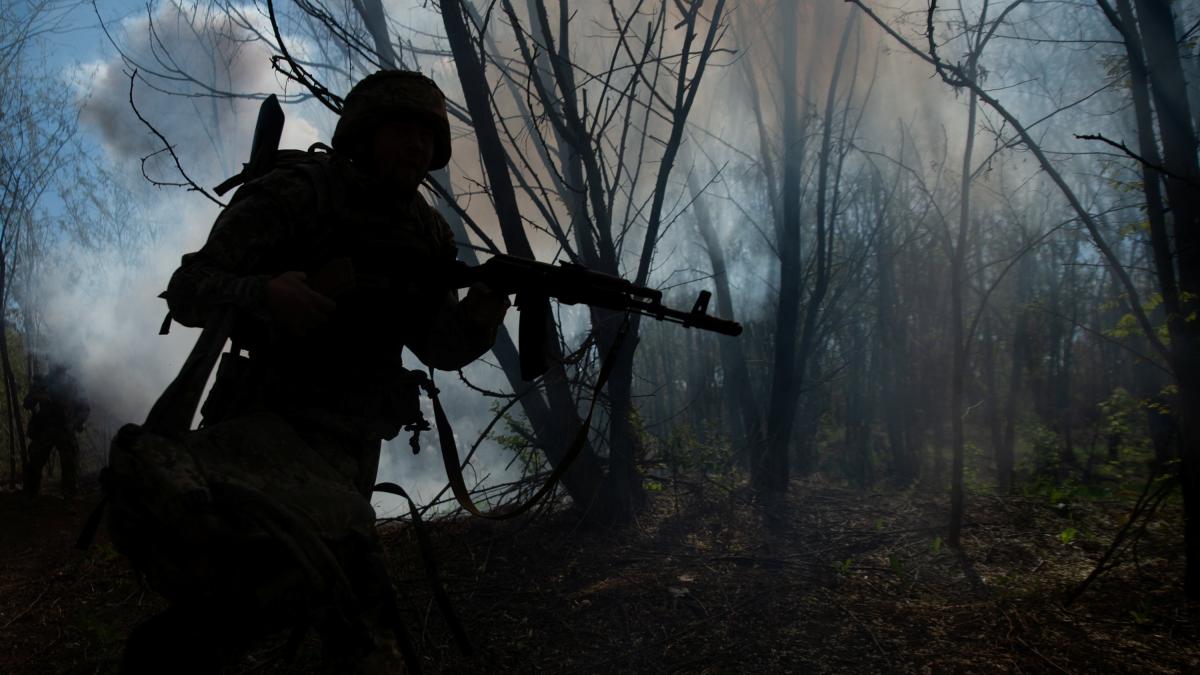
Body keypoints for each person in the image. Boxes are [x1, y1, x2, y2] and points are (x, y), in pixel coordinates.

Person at [114, 70, 510, 673]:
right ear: (364, 132)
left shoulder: (423, 231)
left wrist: (489, 304)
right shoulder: (300, 193)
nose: (417, 148)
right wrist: (263, 293)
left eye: (428, 138)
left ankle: (166, 656)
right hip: (264, 437)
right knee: (355, 615)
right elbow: (189, 287)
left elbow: (440, 345)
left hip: (348, 454)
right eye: (403, 131)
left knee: (264, 601)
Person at [23, 363, 89, 500]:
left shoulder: (73, 384)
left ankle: (69, 496)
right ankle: (30, 495)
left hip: (65, 429)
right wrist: (38, 397)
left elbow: (84, 408)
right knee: (35, 461)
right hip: (44, 429)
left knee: (70, 463)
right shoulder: (42, 383)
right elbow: (27, 403)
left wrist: (75, 423)